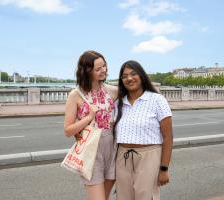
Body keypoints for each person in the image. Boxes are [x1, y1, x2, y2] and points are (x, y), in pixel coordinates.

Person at [114, 60, 173, 200]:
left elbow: (168, 137)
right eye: (124, 76)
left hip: (149, 157)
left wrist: (164, 169)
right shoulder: (119, 103)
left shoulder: (157, 100)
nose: (129, 78)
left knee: (146, 197)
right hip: (122, 157)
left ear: (141, 76)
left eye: (133, 74)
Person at [64, 50, 118, 200]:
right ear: (87, 71)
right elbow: (68, 131)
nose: (104, 71)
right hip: (91, 152)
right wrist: (89, 117)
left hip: (112, 150)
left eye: (105, 66)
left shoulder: (112, 91)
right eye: (98, 69)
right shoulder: (76, 95)